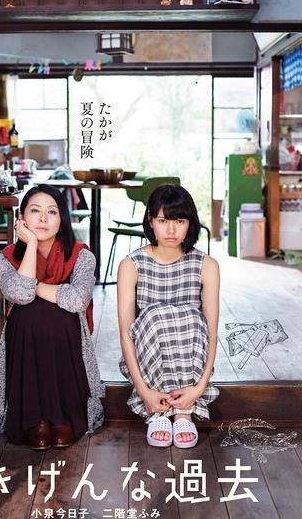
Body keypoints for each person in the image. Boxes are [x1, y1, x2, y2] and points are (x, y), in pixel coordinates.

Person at [0, 184, 104, 449]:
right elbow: (20, 294)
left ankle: (64, 416)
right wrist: (30, 245)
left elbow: (77, 300)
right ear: (22, 219)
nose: (42, 219)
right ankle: (33, 419)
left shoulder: (82, 256)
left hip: (65, 334)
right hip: (25, 332)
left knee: (59, 317)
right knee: (27, 315)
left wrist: (36, 287)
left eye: (51, 212)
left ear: (62, 220)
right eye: (35, 211)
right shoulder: (5, 259)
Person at [117, 184, 219, 448]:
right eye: (163, 221)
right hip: (148, 364)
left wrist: (198, 388)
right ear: (151, 221)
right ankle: (158, 411)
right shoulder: (131, 265)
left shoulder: (207, 265)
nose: (171, 230)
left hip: (191, 365)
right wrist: (144, 392)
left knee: (194, 319)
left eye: (179, 221)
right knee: (154, 316)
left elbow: (211, 332)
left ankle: (184, 412)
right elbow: (126, 333)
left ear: (190, 223)